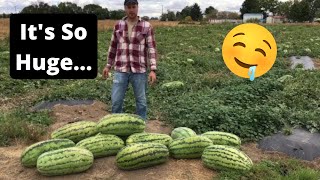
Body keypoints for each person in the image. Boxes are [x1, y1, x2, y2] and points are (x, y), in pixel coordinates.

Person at [102, 0, 157, 121]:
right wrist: (108, 65)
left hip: (139, 70)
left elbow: (151, 48)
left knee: (141, 102)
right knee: (116, 101)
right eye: (128, 7)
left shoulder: (146, 26)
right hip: (121, 69)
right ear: (125, 9)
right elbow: (113, 47)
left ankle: (141, 128)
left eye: (133, 7)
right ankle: (116, 126)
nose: (131, 10)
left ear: (137, 8)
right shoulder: (118, 25)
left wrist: (153, 69)